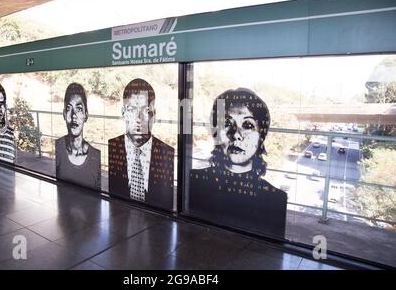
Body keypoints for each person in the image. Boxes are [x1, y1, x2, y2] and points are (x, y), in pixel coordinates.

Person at [189, 88, 287, 238]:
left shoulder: (275, 199)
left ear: (262, 135)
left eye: (248, 126)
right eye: (227, 123)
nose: (236, 134)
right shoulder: (194, 180)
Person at [108, 78, 174, 210]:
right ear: (123, 113)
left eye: (145, 110)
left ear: (153, 115)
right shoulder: (114, 146)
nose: (138, 119)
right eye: (132, 110)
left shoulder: (166, 152)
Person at [55, 83, 101, 189]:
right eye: (69, 109)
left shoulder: (96, 156)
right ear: (64, 115)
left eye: (79, 109)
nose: (74, 115)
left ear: (86, 115)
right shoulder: (57, 148)